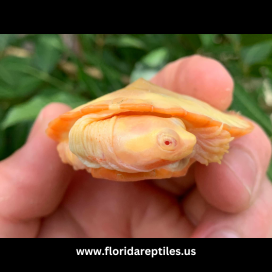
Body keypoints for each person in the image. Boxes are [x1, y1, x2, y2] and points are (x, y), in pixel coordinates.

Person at [0, 55, 271, 238]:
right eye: (170, 141)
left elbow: (206, 138)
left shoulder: (188, 141)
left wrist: (200, 142)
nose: (188, 142)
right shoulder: (84, 132)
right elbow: (69, 142)